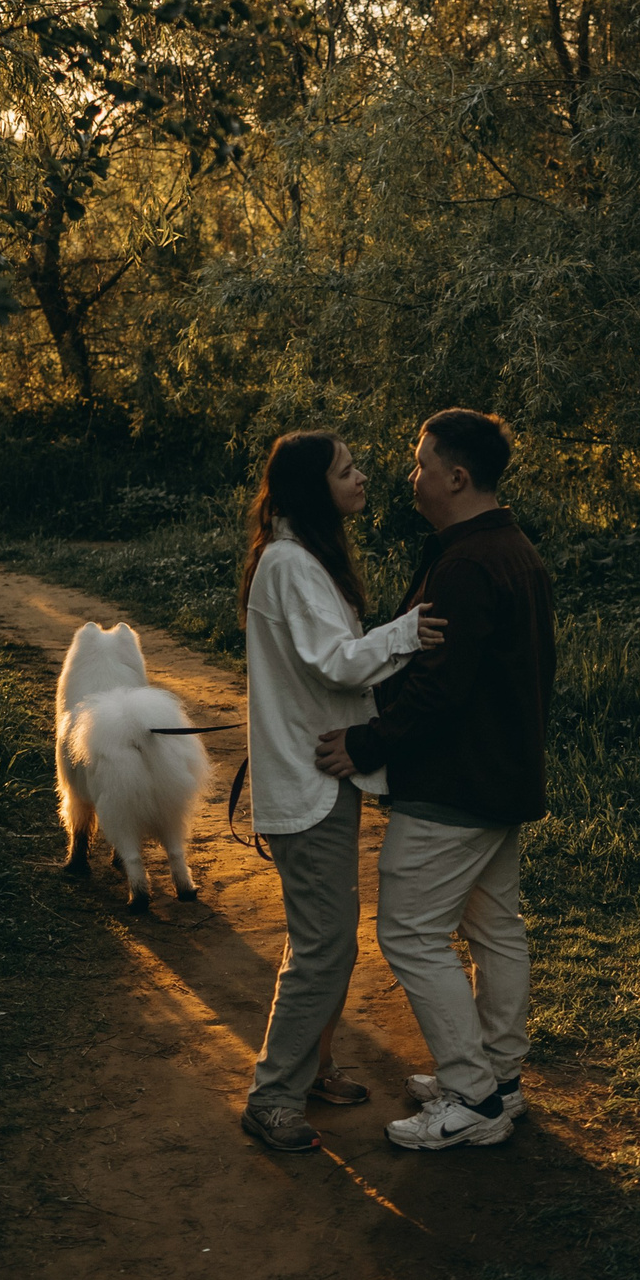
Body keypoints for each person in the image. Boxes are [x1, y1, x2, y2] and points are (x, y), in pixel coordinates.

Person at [315, 409, 554, 1151]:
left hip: (454, 785)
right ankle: (500, 1076)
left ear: (457, 476)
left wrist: (365, 742)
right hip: (502, 777)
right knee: (493, 927)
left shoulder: (466, 566)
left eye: (421, 464)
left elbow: (438, 689)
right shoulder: (515, 551)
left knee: (410, 931)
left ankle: (474, 1097)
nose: (411, 475)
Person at [236, 431, 446, 1153]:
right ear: (311, 488)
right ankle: (273, 1095)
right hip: (308, 783)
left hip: (321, 776)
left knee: (324, 941)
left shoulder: (298, 558)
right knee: (324, 947)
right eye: (346, 470)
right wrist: (409, 633)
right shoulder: (292, 563)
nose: (362, 477)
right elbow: (336, 664)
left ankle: (313, 1065)